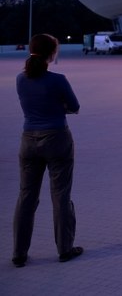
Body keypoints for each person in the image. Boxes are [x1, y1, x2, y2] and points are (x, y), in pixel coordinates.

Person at [12, 34, 83, 268]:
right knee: (61, 195)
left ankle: (19, 253)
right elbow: (74, 106)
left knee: (26, 197)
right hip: (57, 139)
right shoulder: (58, 80)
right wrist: (59, 106)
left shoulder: (20, 79)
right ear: (52, 53)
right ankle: (64, 249)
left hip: (28, 140)